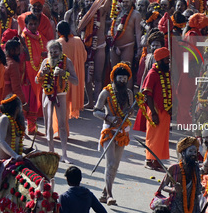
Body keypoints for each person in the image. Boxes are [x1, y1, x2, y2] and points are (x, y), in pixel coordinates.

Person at [93, 62, 134, 205]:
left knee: (115, 165)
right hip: (108, 131)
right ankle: (110, 195)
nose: (122, 81)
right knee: (110, 163)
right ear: (114, 78)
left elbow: (130, 110)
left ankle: (104, 193)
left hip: (122, 133)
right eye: (120, 78)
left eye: (124, 79)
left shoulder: (129, 93)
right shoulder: (106, 92)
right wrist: (109, 118)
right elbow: (95, 111)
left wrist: (130, 112)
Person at [36, 40, 78, 164]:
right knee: (48, 124)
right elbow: (37, 80)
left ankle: (64, 154)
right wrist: (42, 73)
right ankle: (51, 152)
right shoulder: (45, 62)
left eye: (56, 52)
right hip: (47, 95)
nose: (53, 54)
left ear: (60, 52)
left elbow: (76, 81)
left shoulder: (67, 62)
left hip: (61, 95)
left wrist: (64, 74)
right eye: (51, 52)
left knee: (62, 125)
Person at [54, 21, 86, 138]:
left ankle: (63, 132)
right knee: (65, 106)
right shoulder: (78, 41)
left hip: (62, 79)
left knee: (61, 106)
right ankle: (64, 131)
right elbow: (84, 57)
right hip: (74, 78)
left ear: (58, 32)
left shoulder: (57, 43)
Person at [142, 47, 171, 170]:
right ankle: (149, 160)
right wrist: (153, 113)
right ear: (159, 61)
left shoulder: (167, 73)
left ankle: (157, 159)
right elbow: (147, 94)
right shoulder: (152, 74)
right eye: (166, 60)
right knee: (153, 136)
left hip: (166, 110)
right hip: (155, 110)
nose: (168, 62)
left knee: (162, 137)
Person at [21, 13, 47, 135]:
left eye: (35, 24)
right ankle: (23, 129)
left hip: (37, 73)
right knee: (28, 102)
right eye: (30, 24)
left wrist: (43, 54)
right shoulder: (24, 37)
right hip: (27, 75)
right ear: (26, 25)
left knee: (34, 101)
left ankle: (32, 128)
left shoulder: (38, 36)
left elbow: (41, 50)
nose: (33, 26)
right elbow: (23, 56)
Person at [159, 137, 201, 213]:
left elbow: (198, 188)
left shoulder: (196, 168)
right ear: (183, 153)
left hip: (193, 206)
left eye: (195, 151)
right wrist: (173, 189)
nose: (193, 154)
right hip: (176, 207)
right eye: (190, 151)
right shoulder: (174, 168)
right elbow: (163, 186)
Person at [110, 0, 142, 81]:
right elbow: (111, 28)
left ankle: (127, 93)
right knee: (114, 71)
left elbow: (138, 32)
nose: (125, 4)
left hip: (127, 46)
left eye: (127, 2)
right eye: (123, 2)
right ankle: (114, 92)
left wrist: (139, 48)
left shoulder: (136, 14)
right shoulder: (117, 12)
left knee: (127, 71)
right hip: (114, 46)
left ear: (132, 2)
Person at [0, 94, 25, 161]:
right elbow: (0, 141)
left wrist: (25, 150)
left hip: (14, 159)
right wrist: (15, 155)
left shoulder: (16, 122)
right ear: (17, 109)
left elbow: (15, 143)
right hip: (1, 162)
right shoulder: (4, 119)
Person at [3, 38, 27, 109]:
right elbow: (16, 87)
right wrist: (23, 102)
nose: (19, 53)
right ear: (12, 51)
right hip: (8, 97)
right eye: (18, 50)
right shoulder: (12, 64)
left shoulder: (0, 59)